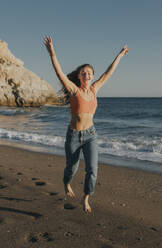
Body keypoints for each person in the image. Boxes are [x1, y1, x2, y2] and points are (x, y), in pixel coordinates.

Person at [43, 36, 129, 213]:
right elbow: (59, 73)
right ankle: (66, 183)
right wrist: (52, 52)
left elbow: (109, 72)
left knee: (92, 169)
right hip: (74, 135)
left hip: (91, 135)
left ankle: (86, 198)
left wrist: (120, 55)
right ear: (79, 76)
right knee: (71, 168)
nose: (87, 75)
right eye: (83, 73)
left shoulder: (95, 89)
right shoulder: (74, 90)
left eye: (89, 73)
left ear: (92, 76)